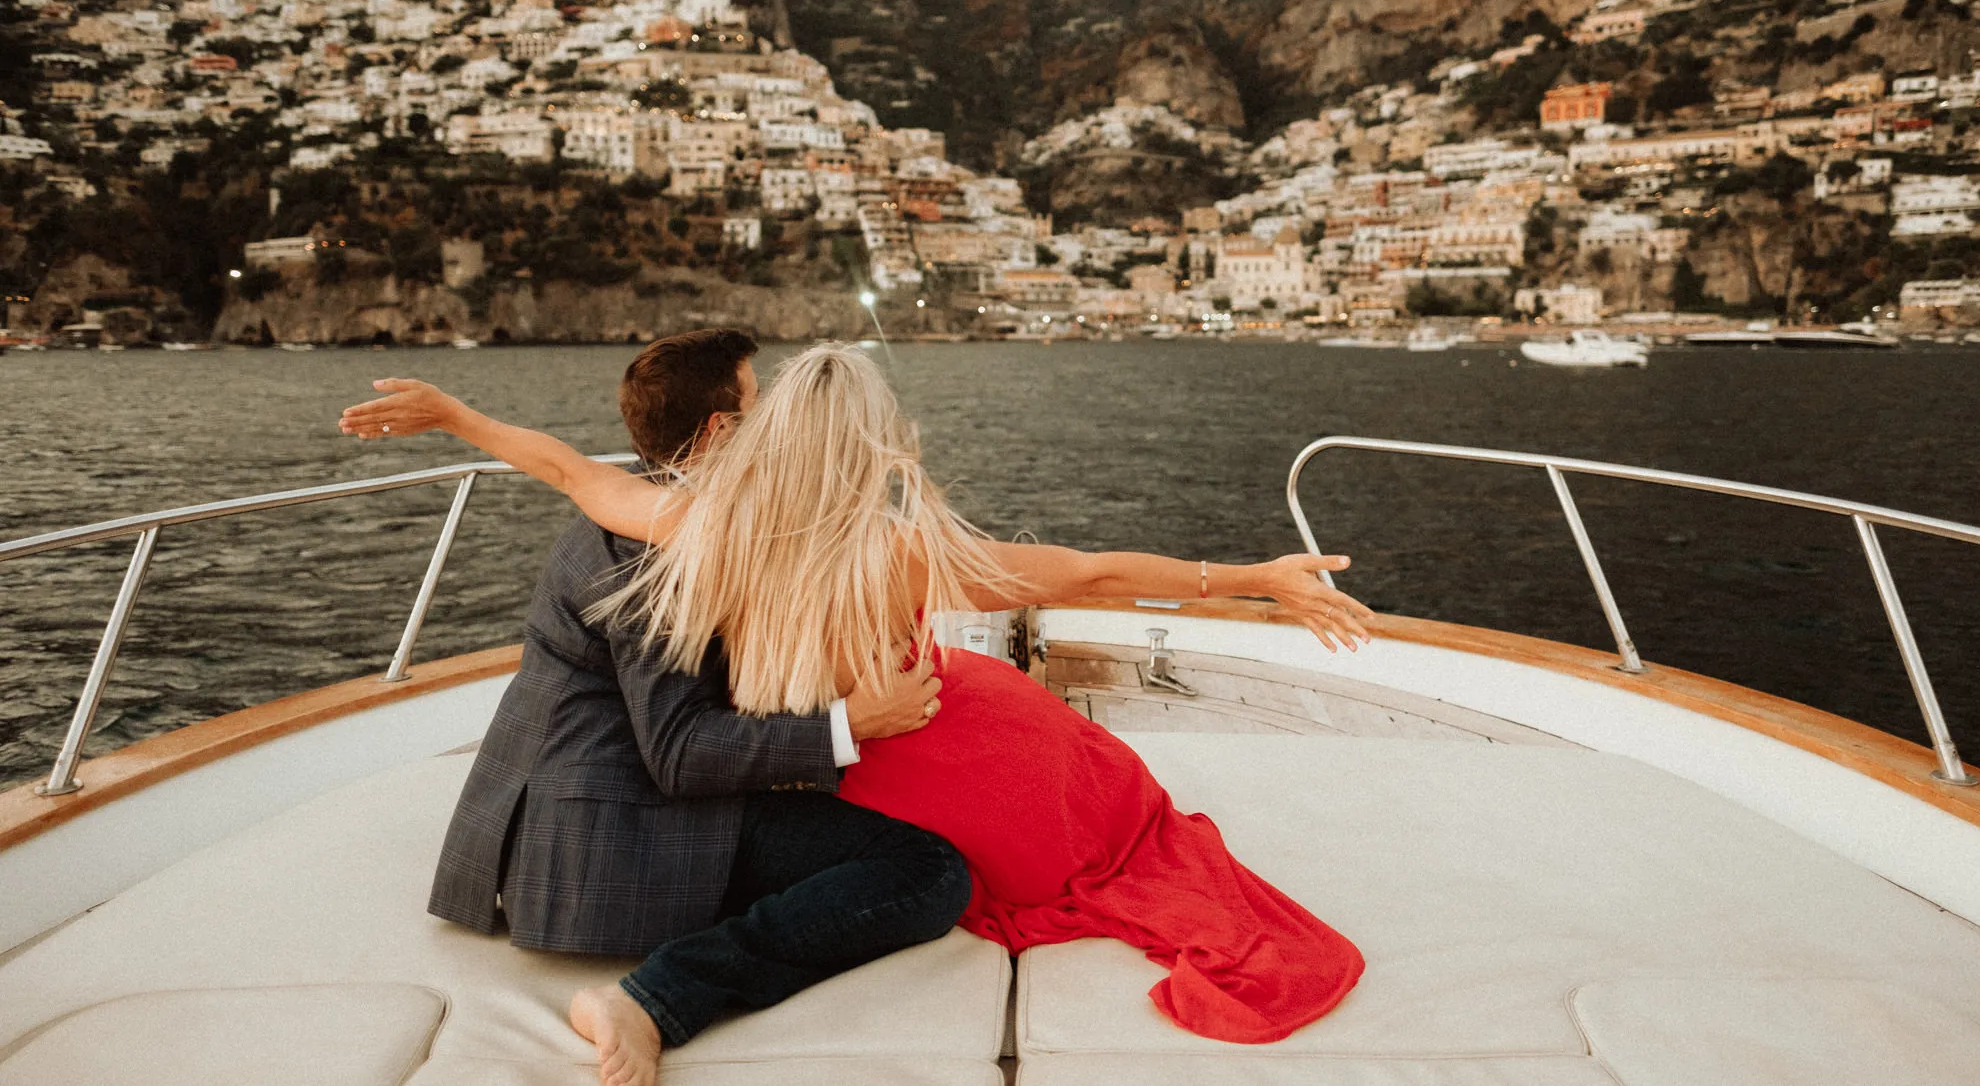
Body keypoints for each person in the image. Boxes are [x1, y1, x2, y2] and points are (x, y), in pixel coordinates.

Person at [342, 344, 1374, 1086]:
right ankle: (667, 996)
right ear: (870, 445)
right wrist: (1250, 579)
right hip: (910, 748)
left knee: (972, 825)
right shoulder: (896, 552)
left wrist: (460, 417)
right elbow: (1090, 570)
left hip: (844, 753)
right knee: (1001, 848)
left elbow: (568, 469)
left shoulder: (698, 524)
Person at [421, 330, 971, 1086]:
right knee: (926, 870)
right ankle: (656, 997)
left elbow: (561, 464)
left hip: (569, 806)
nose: (776, 426)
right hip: (603, 840)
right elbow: (679, 753)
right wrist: (852, 722)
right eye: (760, 407)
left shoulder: (650, 505)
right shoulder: (652, 550)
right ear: (720, 430)